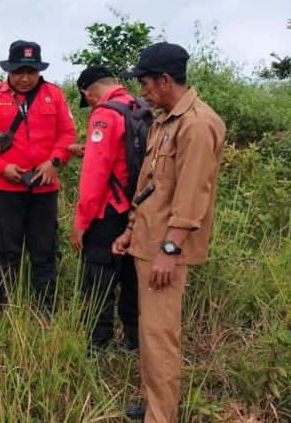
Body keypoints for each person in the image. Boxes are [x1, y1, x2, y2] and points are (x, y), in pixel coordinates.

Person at [113, 42, 226, 422]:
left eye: (144, 82)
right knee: (149, 334)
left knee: (160, 336)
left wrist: (169, 249)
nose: (140, 90)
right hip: (148, 241)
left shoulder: (197, 124)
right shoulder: (165, 122)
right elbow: (151, 187)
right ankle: (154, 405)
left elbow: (192, 194)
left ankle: (161, 417)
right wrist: (131, 230)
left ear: (164, 80)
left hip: (165, 249)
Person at [0, 40, 75, 313]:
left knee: (45, 251)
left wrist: (54, 162)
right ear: (9, 70)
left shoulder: (54, 95)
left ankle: (46, 308)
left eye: (31, 72)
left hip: (45, 188)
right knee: (6, 250)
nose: (25, 78)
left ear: (39, 71)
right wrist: (1, 167)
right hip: (5, 188)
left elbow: (67, 134)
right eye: (19, 72)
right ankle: (5, 307)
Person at [70, 65, 138, 351]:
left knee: (98, 277)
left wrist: (81, 221)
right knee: (131, 276)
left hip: (108, 210)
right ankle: (134, 338)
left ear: (88, 93)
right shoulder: (136, 106)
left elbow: (96, 174)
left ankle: (97, 344)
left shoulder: (105, 113)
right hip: (136, 208)